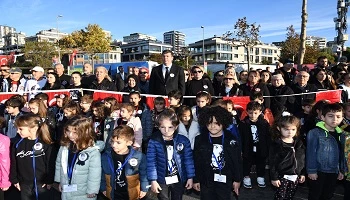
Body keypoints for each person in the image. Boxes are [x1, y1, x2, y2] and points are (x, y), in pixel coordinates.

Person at [193, 106, 242, 199]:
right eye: (209, 123)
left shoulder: (231, 139)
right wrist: (196, 179)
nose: (212, 126)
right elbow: (196, 161)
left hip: (225, 178)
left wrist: (237, 179)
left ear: (223, 122)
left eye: (216, 123)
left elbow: (237, 161)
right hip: (206, 179)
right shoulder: (200, 140)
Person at [147, 109, 194, 200]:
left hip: (178, 178)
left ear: (176, 126)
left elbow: (188, 160)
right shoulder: (154, 141)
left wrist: (190, 177)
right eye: (163, 127)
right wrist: (153, 180)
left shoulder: (183, 140)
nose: (166, 130)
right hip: (161, 179)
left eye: (170, 127)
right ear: (158, 127)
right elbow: (151, 162)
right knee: (163, 198)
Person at [54, 116, 103, 200]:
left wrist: (92, 190)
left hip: (83, 193)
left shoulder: (92, 152)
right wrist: (59, 181)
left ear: (84, 132)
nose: (70, 135)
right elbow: (59, 164)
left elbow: (95, 172)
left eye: (75, 132)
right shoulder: (65, 147)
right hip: (66, 188)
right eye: (68, 131)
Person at [10, 113, 55, 200]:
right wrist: (14, 179)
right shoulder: (17, 145)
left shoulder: (46, 144)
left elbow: (50, 163)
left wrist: (49, 180)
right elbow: (13, 163)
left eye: (21, 129)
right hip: (24, 184)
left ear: (34, 129)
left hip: (42, 183)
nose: (17, 131)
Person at [306, 103, 346, 200]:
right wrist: (311, 171)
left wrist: (341, 169)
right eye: (330, 116)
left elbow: (342, 154)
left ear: (342, 118)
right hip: (319, 170)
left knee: (328, 195)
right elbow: (310, 152)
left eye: (338, 116)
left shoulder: (342, 134)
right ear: (323, 117)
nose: (334, 119)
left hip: (333, 171)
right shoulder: (315, 133)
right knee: (315, 195)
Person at [100, 125, 148, 200]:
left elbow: (144, 174)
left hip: (130, 193)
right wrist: (103, 188)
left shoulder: (139, 157)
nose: (114, 145)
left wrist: (144, 188)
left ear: (129, 143)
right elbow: (102, 174)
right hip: (114, 193)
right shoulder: (105, 156)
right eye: (112, 141)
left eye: (118, 142)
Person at [269, 115, 305, 200]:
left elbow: (302, 159)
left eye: (293, 129)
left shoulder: (299, 143)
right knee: (280, 196)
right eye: (286, 129)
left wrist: (302, 173)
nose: (290, 132)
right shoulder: (277, 144)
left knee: (290, 196)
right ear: (279, 128)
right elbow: (272, 162)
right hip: (282, 176)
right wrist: (274, 177)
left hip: (295, 176)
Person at [239, 101, 271, 189]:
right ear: (247, 112)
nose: (253, 115)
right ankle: (246, 177)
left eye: (255, 113)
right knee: (247, 162)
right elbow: (240, 137)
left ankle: (260, 176)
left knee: (261, 162)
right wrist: (241, 149)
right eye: (250, 113)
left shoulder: (264, 123)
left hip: (261, 147)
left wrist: (267, 147)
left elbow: (268, 136)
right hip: (247, 147)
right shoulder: (243, 124)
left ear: (260, 112)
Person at [0, 117, 11, 200]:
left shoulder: (3, 140)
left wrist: (4, 182)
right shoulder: (3, 139)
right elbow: (5, 162)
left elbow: (5, 162)